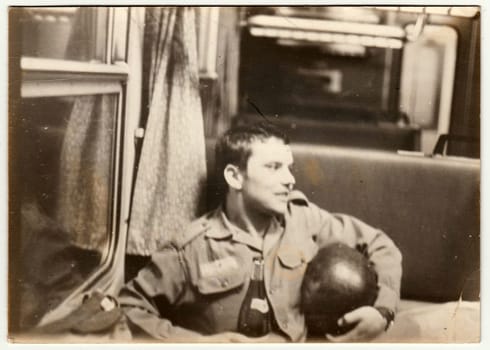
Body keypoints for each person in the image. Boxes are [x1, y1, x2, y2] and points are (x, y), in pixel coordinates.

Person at [118, 122, 402, 343]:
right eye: (274, 167)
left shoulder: (303, 219)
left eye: (289, 167)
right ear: (234, 177)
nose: (290, 179)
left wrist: (383, 311)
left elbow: (380, 244)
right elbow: (127, 306)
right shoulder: (190, 249)